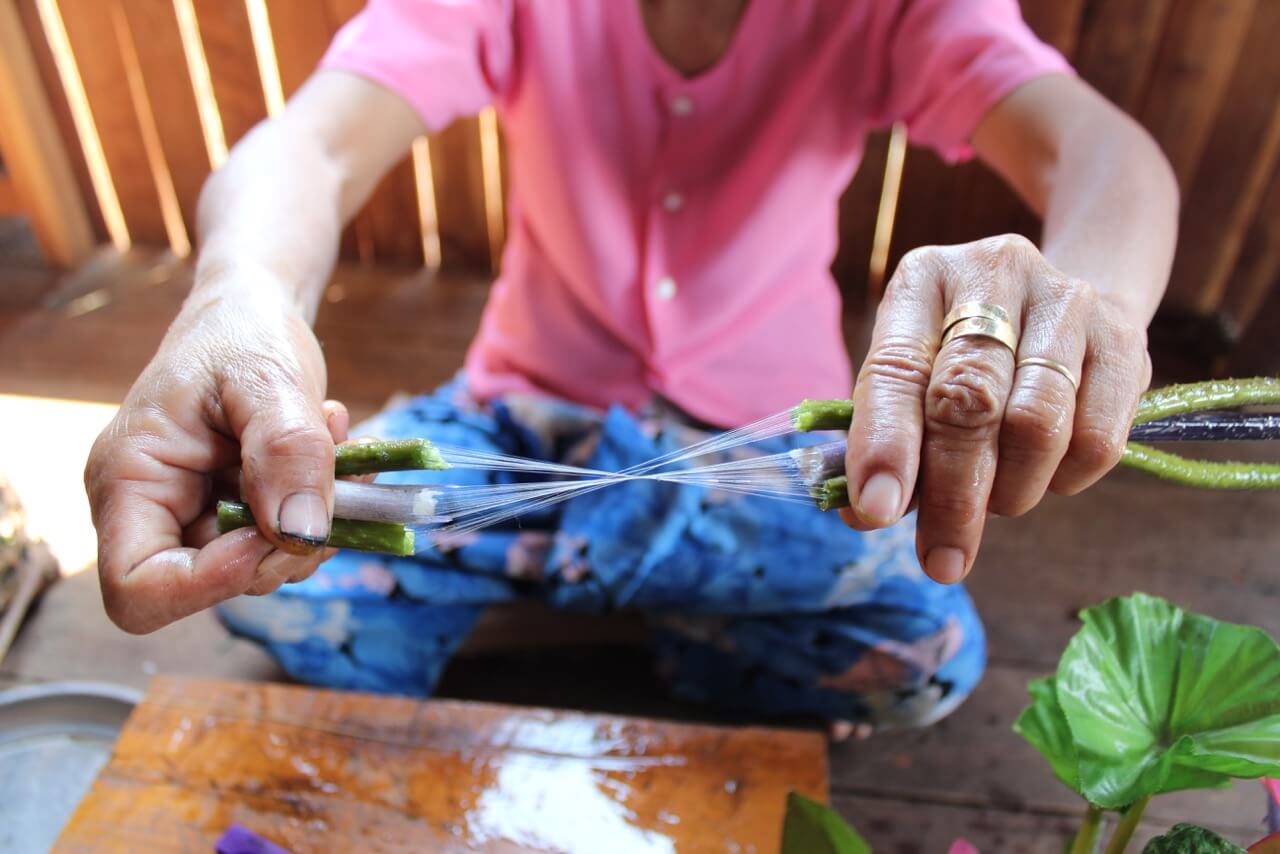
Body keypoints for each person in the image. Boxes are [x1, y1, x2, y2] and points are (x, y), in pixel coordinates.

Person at [84, 0, 1176, 733]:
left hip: (762, 456)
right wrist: (239, 299)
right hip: (513, 425)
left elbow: (1102, 153)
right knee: (260, 560)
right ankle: (658, 596)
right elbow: (311, 143)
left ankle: (547, 587)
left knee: (918, 653)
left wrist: (1090, 304)